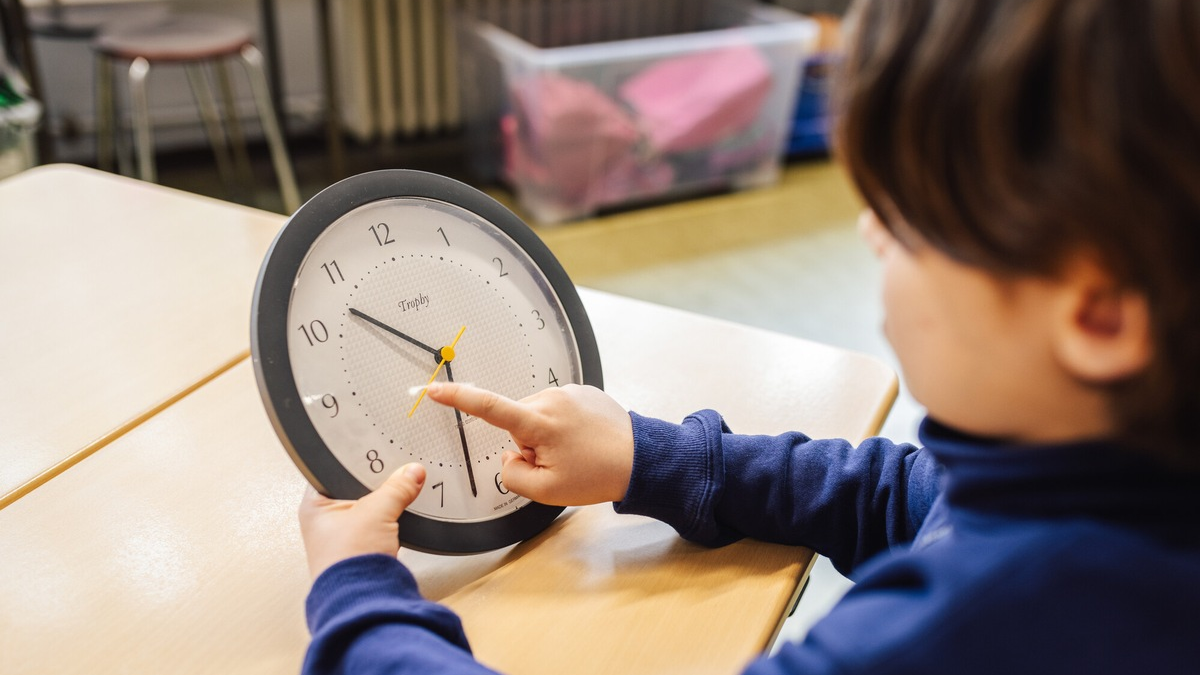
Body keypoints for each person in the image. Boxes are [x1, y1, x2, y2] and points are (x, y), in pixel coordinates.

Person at [297, 0, 1200, 673]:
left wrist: (359, 602)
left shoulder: (987, 622)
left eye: (906, 220)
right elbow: (908, 496)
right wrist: (651, 458)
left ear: (1098, 316)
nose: (868, 236)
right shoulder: (1109, 469)